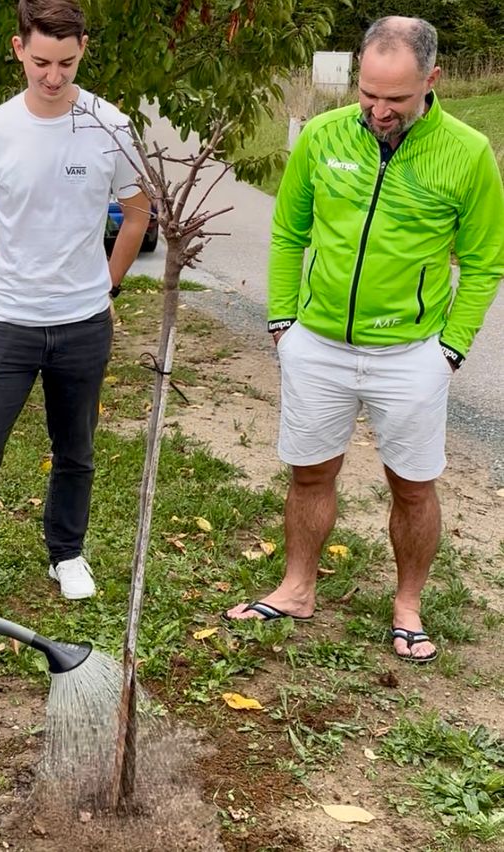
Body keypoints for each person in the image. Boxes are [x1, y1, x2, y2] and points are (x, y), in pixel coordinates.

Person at [225, 17, 504, 663]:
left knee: (412, 484)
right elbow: (289, 234)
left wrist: (451, 348)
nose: (379, 110)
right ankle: (296, 589)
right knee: (309, 473)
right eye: (368, 94)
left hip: (411, 354)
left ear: (431, 82)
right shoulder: (322, 137)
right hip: (317, 346)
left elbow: (486, 261)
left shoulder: (467, 153)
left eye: (396, 99)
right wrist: (283, 321)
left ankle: (408, 604)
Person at [0, 0, 150, 602]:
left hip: (83, 324)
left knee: (76, 449)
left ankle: (68, 554)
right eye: (41, 62)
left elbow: (137, 213)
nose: (53, 76)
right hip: (7, 321)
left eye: (65, 61)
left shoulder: (110, 125)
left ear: (83, 48)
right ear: (19, 50)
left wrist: (107, 287)